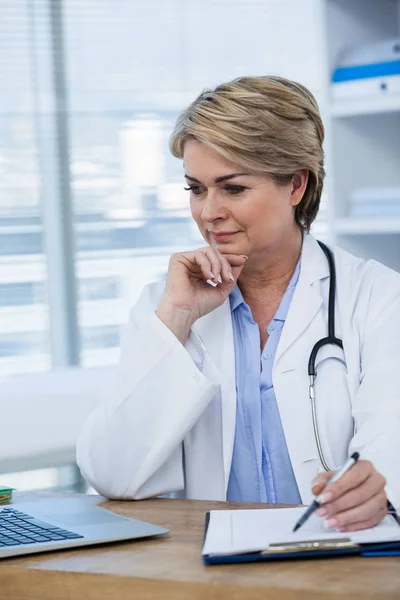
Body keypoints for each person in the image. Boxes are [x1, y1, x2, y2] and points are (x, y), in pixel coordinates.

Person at [77, 76, 400, 532]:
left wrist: (378, 490)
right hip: (211, 575)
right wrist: (177, 319)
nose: (209, 212)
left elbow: (392, 448)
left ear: (296, 186)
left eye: (233, 188)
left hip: (341, 564)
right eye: (196, 189)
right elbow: (113, 475)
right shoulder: (165, 305)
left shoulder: (377, 298)